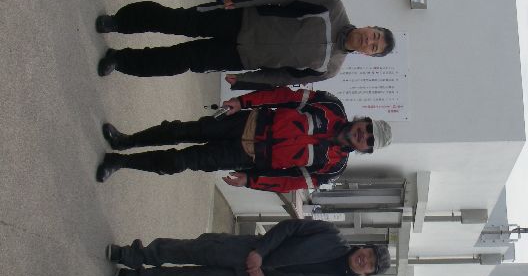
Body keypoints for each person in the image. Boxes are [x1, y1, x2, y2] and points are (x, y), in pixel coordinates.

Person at [94, 0, 395, 88]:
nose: (369, 41)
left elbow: (282, 78)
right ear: (371, 27)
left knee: (179, 61)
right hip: (239, 19)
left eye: (374, 47)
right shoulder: (333, 7)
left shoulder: (330, 69)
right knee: (176, 20)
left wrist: (246, 81)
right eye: (374, 35)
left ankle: (120, 60)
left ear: (368, 55)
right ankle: (120, 22)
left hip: (241, 57)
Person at [94, 87, 393, 190]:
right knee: (179, 130)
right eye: (367, 128)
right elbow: (282, 95)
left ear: (365, 150)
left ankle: (120, 162)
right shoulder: (332, 105)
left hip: (245, 157)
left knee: (178, 162)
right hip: (244, 122)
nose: (363, 135)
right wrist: (243, 101)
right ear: (363, 120)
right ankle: (126, 140)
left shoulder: (334, 169)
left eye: (368, 141)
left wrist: (251, 181)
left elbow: (288, 182)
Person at [104, 219, 392, 276]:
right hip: (248, 250)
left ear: (367, 273)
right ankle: (134, 255)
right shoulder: (332, 235)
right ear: (364, 246)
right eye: (368, 253)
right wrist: (261, 250)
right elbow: (291, 227)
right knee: (188, 250)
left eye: (369, 265)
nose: (364, 259)